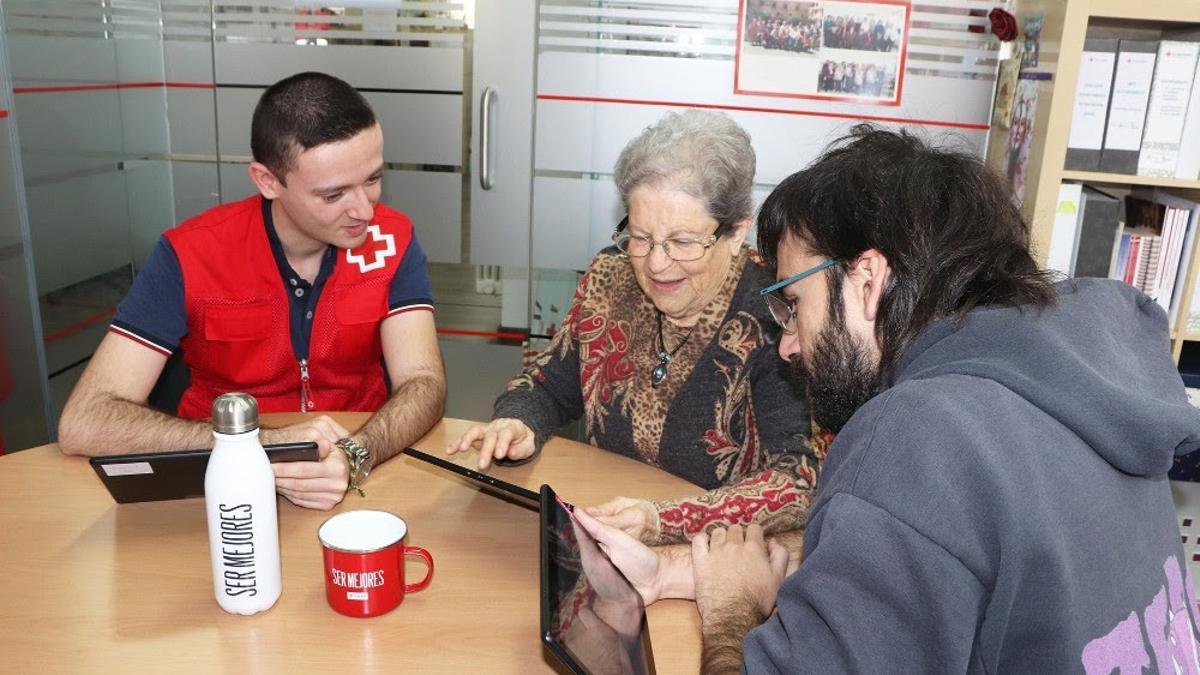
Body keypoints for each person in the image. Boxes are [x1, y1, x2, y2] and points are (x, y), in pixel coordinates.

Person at [573, 124, 1200, 672]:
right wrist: (675, 572)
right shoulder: (1072, 382)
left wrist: (731, 609)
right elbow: (927, 577)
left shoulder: (919, 434)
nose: (789, 345)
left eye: (794, 305)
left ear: (868, 281)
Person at [57, 72, 446, 511]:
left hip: (359, 470)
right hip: (222, 483)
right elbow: (84, 421)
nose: (365, 209)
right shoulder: (191, 254)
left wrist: (357, 454)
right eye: (334, 194)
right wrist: (260, 445)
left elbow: (423, 381)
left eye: (373, 178)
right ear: (267, 181)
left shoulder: (393, 239)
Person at [448, 110, 821, 546]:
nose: (656, 263)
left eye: (682, 242)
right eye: (641, 237)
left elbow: (797, 481)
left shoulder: (773, 315)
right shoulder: (612, 275)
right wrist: (518, 422)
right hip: (604, 528)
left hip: (715, 555)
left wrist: (664, 520)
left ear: (736, 232)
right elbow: (549, 386)